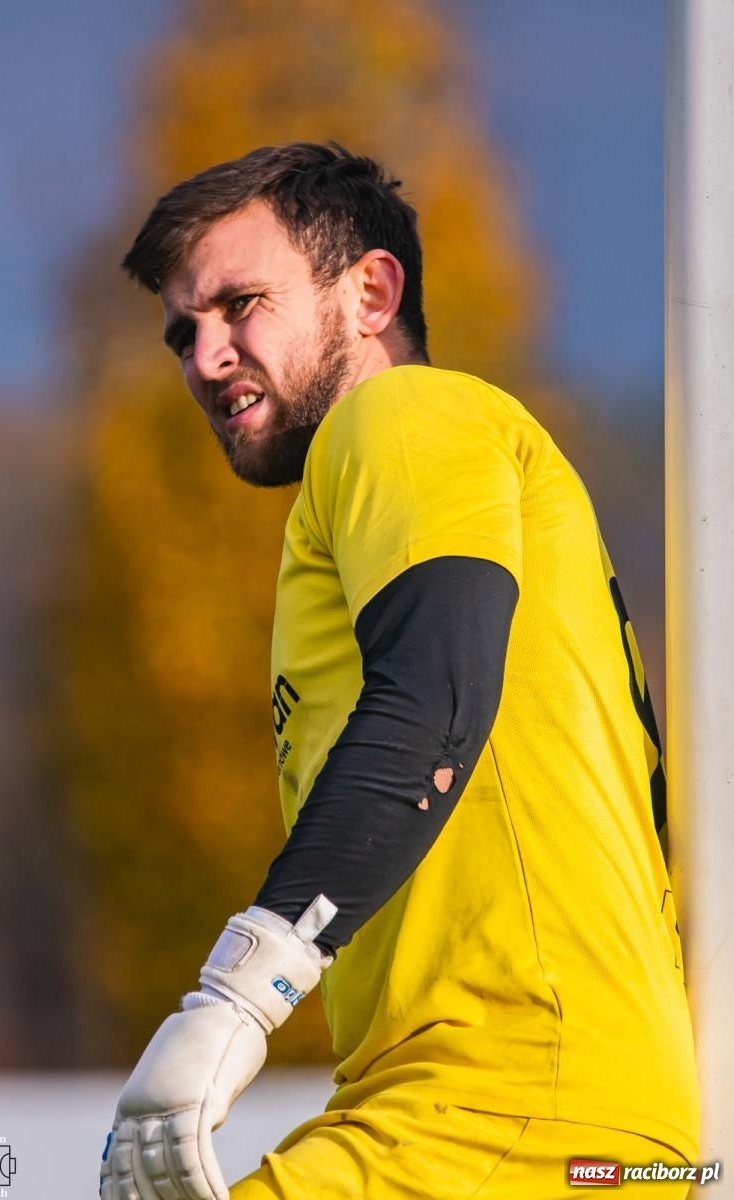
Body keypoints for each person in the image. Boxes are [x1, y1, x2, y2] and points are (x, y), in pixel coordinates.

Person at [100, 142, 699, 1200]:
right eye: (183, 333)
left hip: (503, 1112)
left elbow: (431, 700)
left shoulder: (401, 416)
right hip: (507, 1119)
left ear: (371, 290)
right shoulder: (369, 495)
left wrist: (234, 1000)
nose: (204, 355)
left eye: (241, 304)